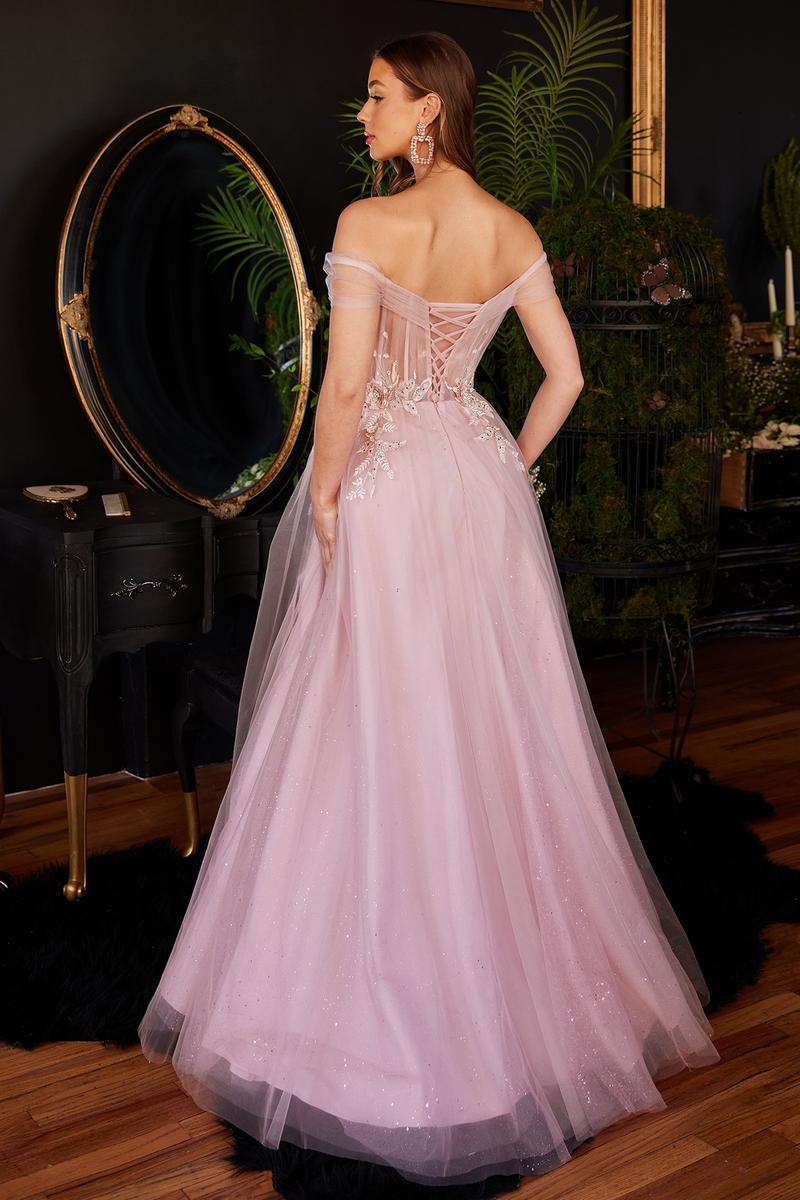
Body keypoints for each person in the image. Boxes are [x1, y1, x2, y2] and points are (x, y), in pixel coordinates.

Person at [138, 30, 720, 1192]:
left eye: (375, 98)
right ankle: (514, 1002)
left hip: (390, 488)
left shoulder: (368, 224)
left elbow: (348, 384)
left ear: (427, 111)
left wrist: (325, 496)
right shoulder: (510, 231)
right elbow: (565, 376)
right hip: (476, 482)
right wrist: (510, 464)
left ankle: (367, 1005)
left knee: (367, 721)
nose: (360, 116)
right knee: (488, 724)